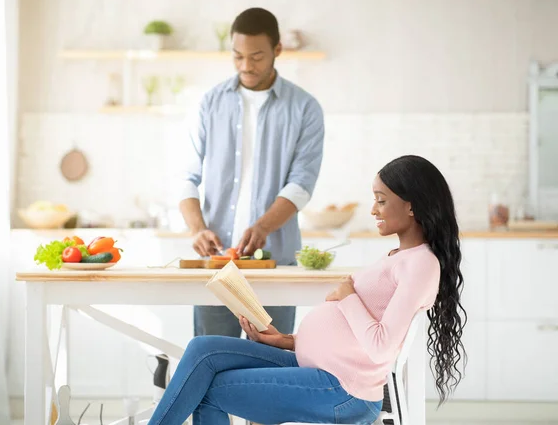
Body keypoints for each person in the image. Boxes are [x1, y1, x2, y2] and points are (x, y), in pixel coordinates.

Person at [148, 155, 468, 425]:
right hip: (314, 367)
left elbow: (381, 348)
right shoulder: (400, 257)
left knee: (207, 388)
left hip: (342, 390)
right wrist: (287, 341)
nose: (373, 210)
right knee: (202, 349)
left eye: (381, 200)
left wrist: (349, 297)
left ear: (412, 207)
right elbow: (353, 339)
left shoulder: (421, 264)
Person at [179, 7, 324, 338]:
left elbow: (301, 184)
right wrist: (197, 230)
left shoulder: (305, 108)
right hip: (218, 265)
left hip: (276, 265)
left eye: (256, 57)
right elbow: (186, 177)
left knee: (270, 366)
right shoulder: (209, 103)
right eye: (238, 56)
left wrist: (262, 226)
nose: (246, 66)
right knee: (212, 361)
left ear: (277, 51)